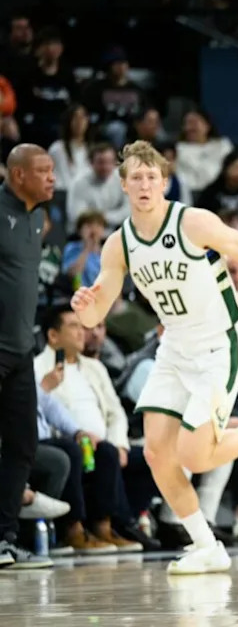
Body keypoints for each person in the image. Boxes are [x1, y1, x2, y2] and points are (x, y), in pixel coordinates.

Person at [69, 140, 238, 575]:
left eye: (151, 177)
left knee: (195, 456)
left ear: (165, 182)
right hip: (174, 347)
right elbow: (98, 308)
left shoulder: (191, 221)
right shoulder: (119, 244)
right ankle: (206, 545)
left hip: (218, 343)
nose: (144, 184)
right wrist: (86, 309)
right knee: (158, 452)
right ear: (122, 184)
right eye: (135, 177)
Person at [0, 143, 56, 569]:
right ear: (18, 175)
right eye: (43, 171)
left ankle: (4, 539)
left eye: (53, 171)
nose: (52, 178)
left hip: (20, 353)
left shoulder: (38, 218)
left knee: (22, 446)